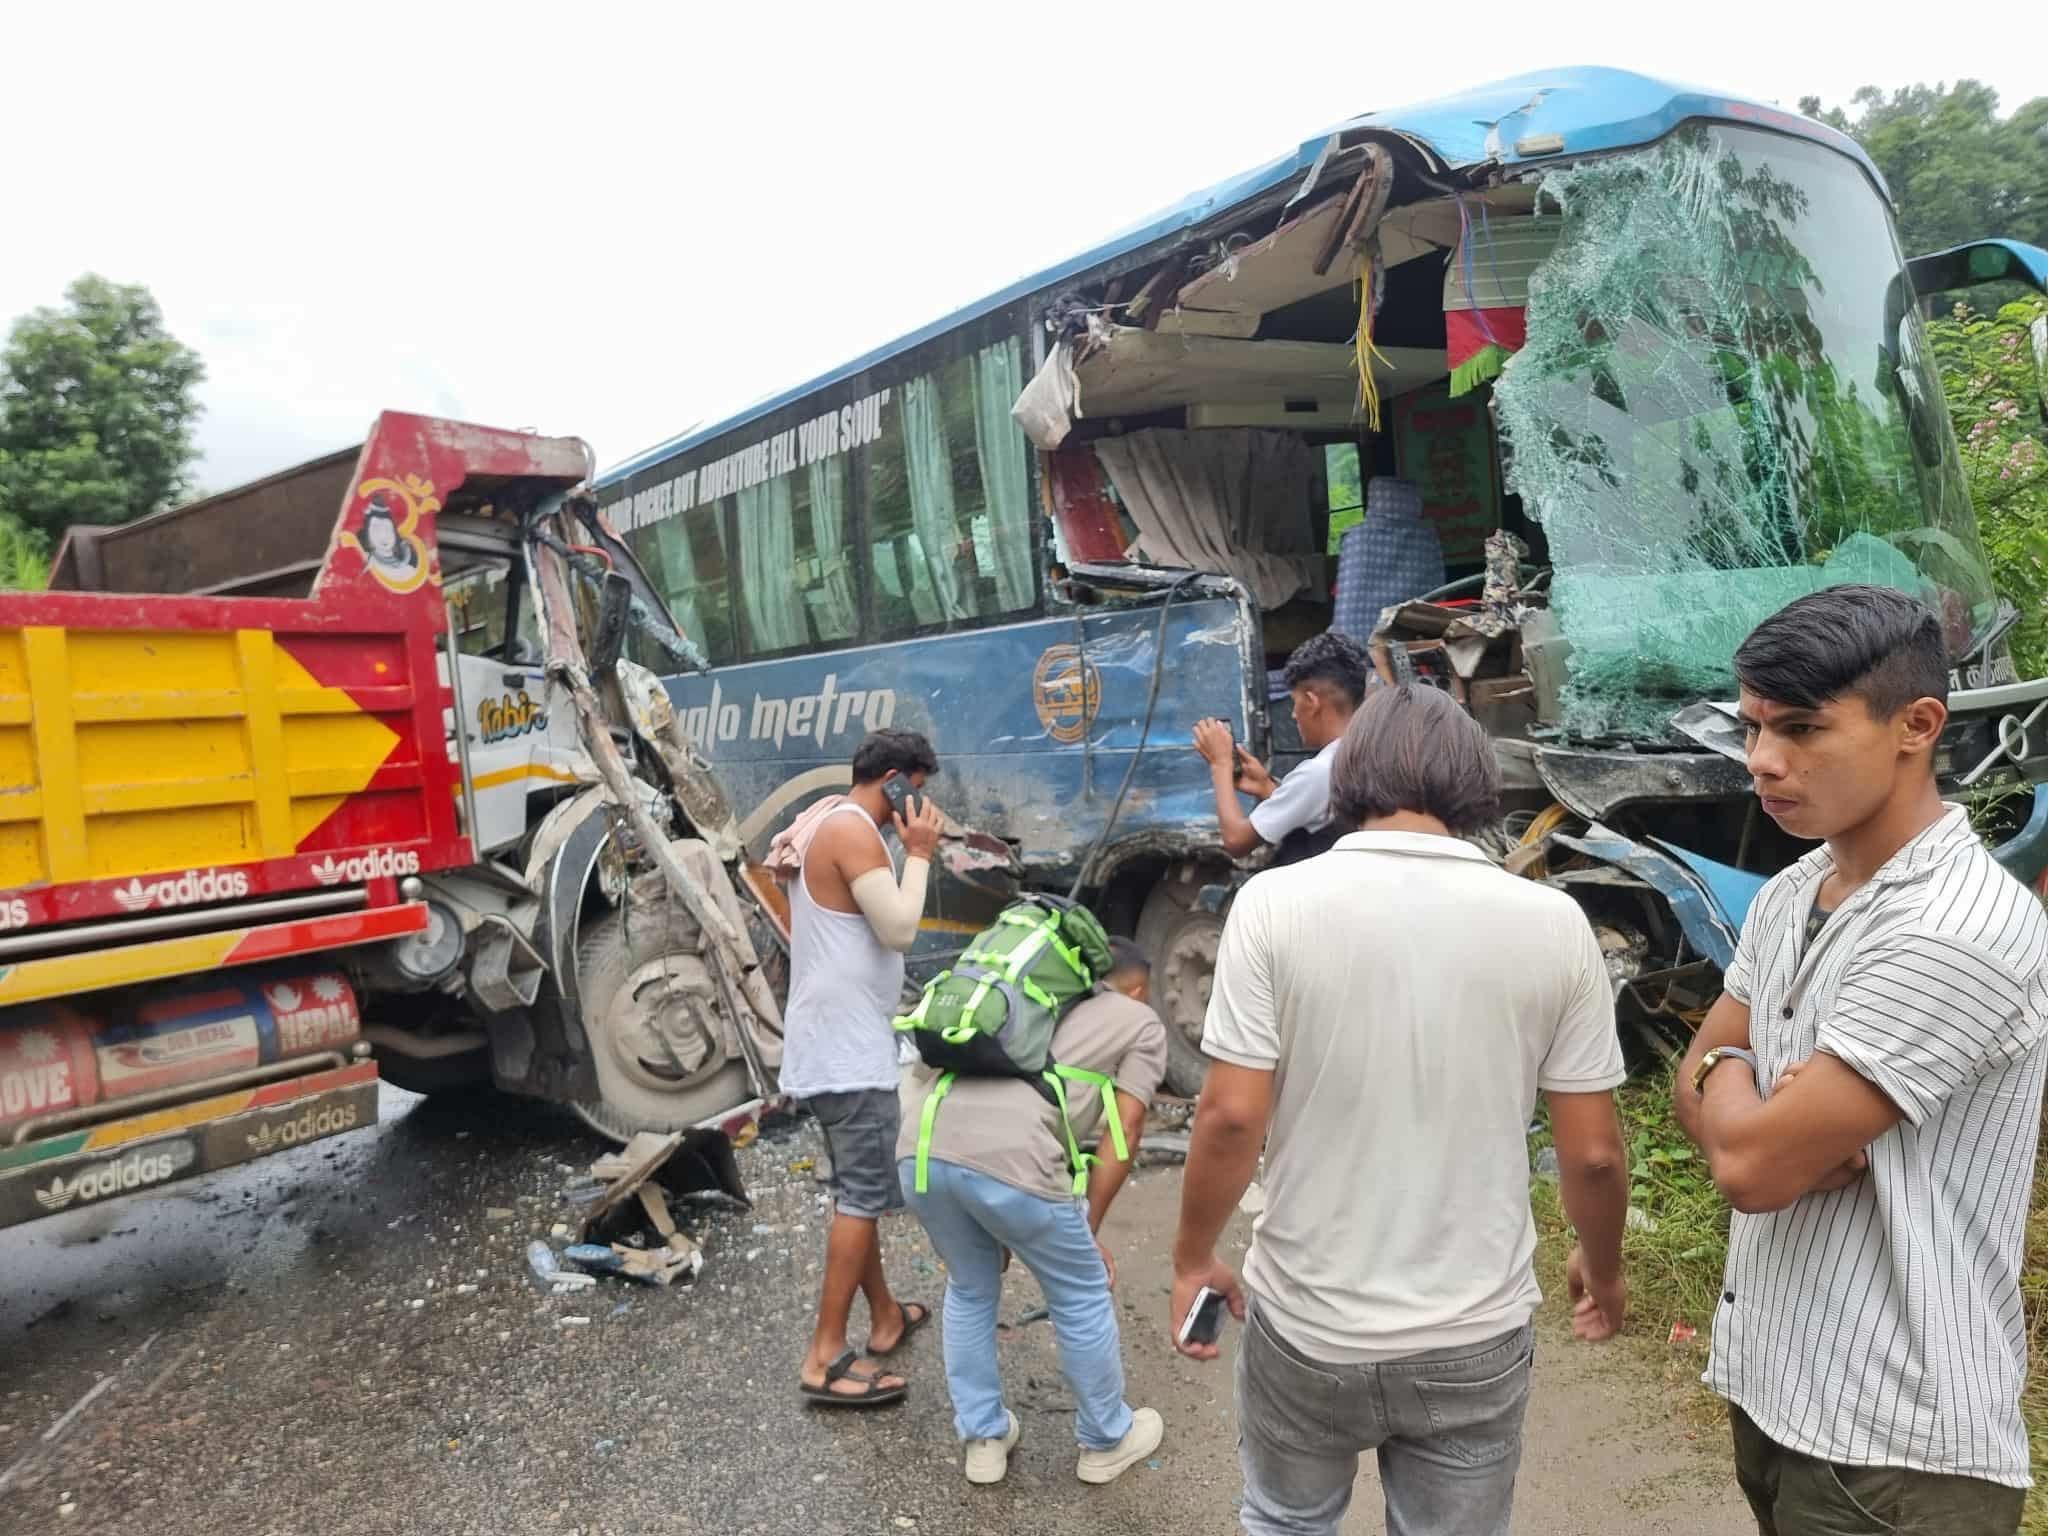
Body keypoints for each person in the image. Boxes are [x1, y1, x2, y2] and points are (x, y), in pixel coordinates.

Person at [1172, 683, 1630, 1536]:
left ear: (1348, 777)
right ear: (1474, 784)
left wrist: (1193, 1256)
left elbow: (1231, 1118)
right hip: (1473, 1331)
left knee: (1284, 1520)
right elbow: (1595, 1154)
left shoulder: (1274, 905)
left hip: (1309, 1322)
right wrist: (1601, 1271)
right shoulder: (1553, 923)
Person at [1675, 586, 2048, 1535]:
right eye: (1754, 725)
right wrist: (1736, 1082)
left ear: (1916, 726)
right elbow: (1706, 1079)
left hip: (1897, 1443)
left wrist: (1742, 1100)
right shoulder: (1797, 888)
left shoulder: (1955, 928)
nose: (1763, 761)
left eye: (1802, 728)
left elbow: (1752, 1169)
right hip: (1777, 1385)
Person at [898, 937, 1168, 1487]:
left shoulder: (1014, 1001)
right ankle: (1106, 1441)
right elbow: (1126, 1132)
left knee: (971, 1288)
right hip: (1013, 1159)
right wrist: (1086, 1229)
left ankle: (983, 1440)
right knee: (1080, 1291)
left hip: (920, 1152)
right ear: (1138, 987)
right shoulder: (1138, 1019)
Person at [787, 728, 946, 1409]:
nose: (923, 803)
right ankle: (824, 1356)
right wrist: (919, 854)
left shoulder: (825, 815)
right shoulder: (854, 830)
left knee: (863, 1191)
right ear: (896, 782)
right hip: (846, 1052)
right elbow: (901, 928)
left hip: (838, 1041)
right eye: (919, 788)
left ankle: (883, 1318)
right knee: (861, 1197)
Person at [1194, 632, 1369, 867]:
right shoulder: (1371, 750)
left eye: (1295, 702)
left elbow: (1236, 841)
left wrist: (1220, 764)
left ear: (1311, 702)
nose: (1293, 714)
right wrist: (1267, 787)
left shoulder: (1320, 771)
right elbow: (1319, 810)